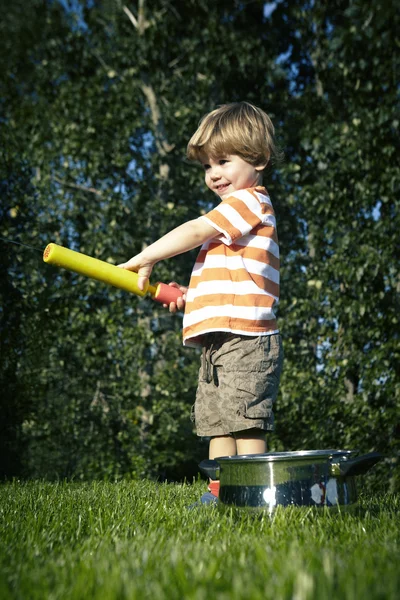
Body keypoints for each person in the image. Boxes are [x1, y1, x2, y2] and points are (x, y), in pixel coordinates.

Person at [119, 101, 283, 505]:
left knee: (244, 423)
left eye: (223, 161)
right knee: (217, 423)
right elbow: (232, 282)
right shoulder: (235, 219)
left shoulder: (250, 202)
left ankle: (255, 497)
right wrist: (190, 299)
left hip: (245, 339)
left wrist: (148, 256)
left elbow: (195, 230)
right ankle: (220, 495)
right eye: (208, 166)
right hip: (220, 338)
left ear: (258, 159)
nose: (213, 174)